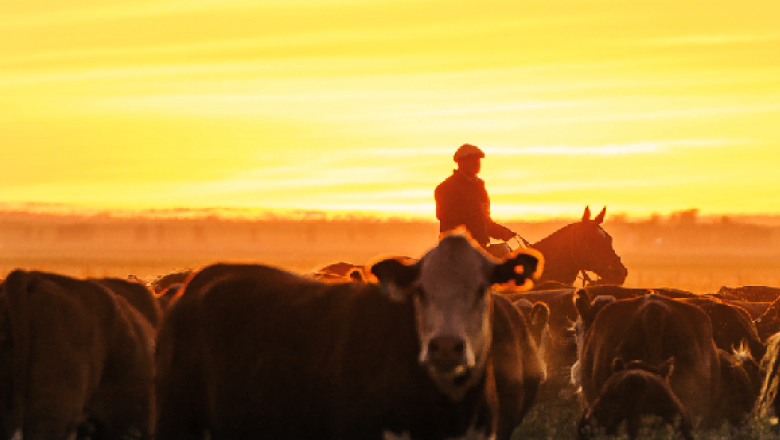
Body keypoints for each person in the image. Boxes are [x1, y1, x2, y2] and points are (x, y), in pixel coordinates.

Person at [434, 143, 519, 257]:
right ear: (461, 163)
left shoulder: (479, 187)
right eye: (472, 160)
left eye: (478, 160)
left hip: (480, 247)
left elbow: (484, 219)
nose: (476, 163)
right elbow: (448, 219)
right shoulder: (446, 188)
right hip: (457, 251)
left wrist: (503, 232)